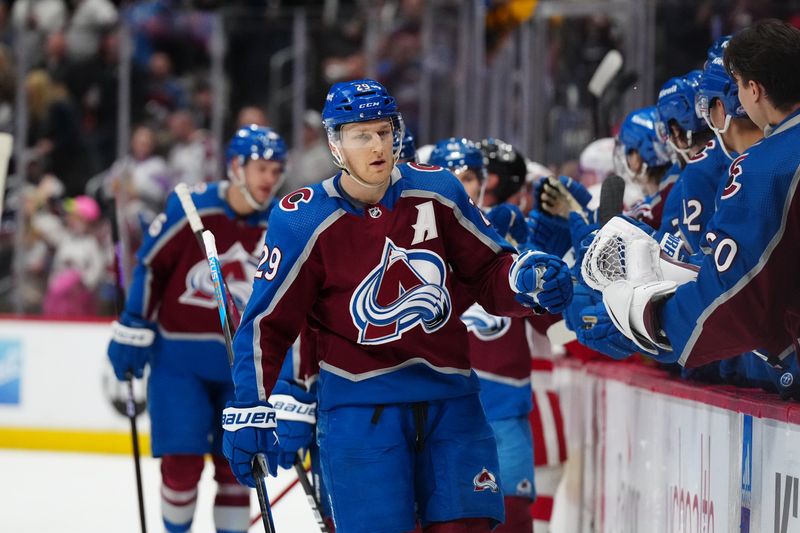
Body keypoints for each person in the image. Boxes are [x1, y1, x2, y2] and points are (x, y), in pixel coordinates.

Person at [221, 79, 573, 533]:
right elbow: (268, 324)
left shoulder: (437, 191)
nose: (377, 145)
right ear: (336, 144)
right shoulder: (303, 218)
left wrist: (524, 282)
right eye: (361, 135)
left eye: (384, 132)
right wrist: (253, 402)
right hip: (361, 411)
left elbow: (488, 271)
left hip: (452, 401)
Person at [580, 20, 800, 370]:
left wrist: (658, 321)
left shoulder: (768, 165)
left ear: (753, 90)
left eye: (740, 85)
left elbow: (737, 293)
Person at [106, 125, 289, 533]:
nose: (269, 179)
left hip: (244, 369)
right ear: (236, 166)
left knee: (239, 467)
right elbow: (152, 266)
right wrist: (134, 323)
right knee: (182, 465)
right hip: (178, 363)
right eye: (261, 168)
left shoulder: (283, 220)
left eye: (277, 170)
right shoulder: (193, 209)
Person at [431, 137, 540, 532]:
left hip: (504, 407)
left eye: (470, 176)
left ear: (484, 181)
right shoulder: (419, 243)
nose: (462, 185)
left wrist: (545, 264)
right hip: (441, 405)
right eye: (452, 177)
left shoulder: (508, 233)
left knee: (513, 515)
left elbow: (555, 326)